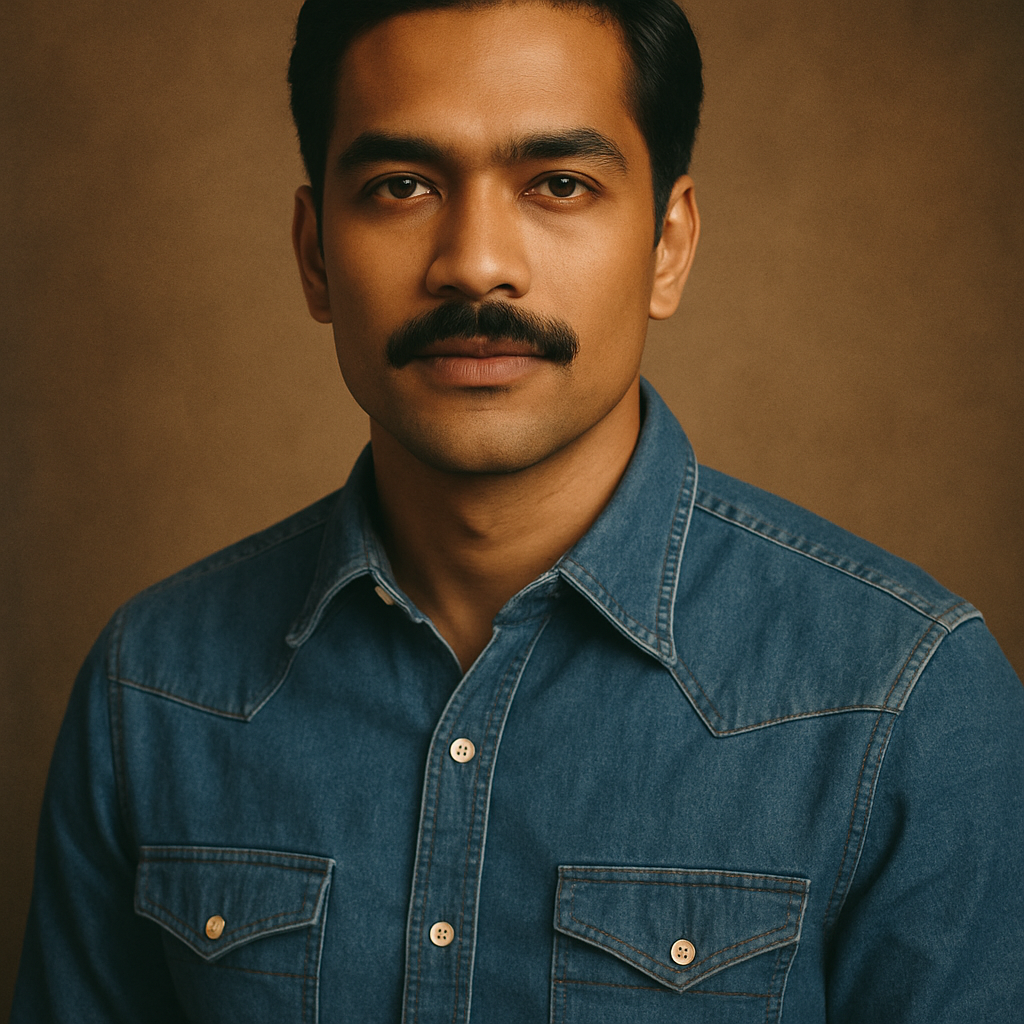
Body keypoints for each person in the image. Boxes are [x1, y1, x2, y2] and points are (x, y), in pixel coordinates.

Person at [12, 0, 1023, 1020]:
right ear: (315, 254)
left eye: (558, 184)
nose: (474, 261)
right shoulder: (152, 689)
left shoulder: (902, 700)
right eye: (401, 185)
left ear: (667, 247)